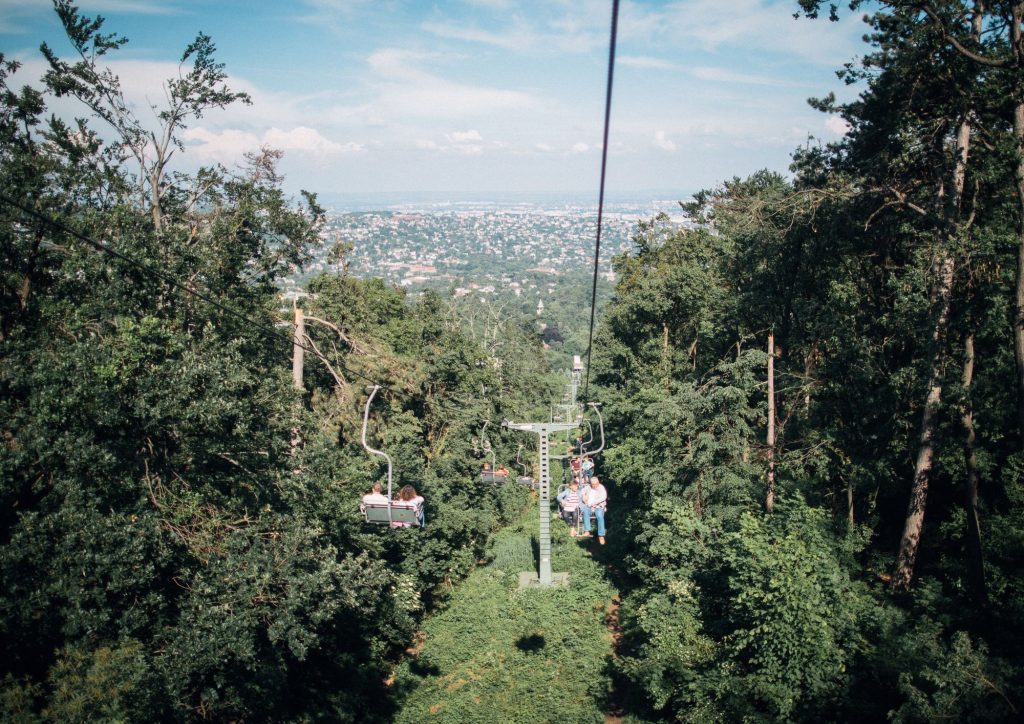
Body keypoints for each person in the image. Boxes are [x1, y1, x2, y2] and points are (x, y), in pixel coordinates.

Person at [580, 475, 608, 545]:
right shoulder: (588, 487)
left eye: (596, 484)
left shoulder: (601, 488)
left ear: (598, 483)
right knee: (585, 512)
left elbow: (603, 497)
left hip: (598, 506)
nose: (594, 486)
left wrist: (594, 503)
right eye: (593, 484)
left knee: (599, 516)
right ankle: (587, 530)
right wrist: (583, 495)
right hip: (589, 506)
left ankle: (601, 535)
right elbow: (582, 491)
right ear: (591, 484)